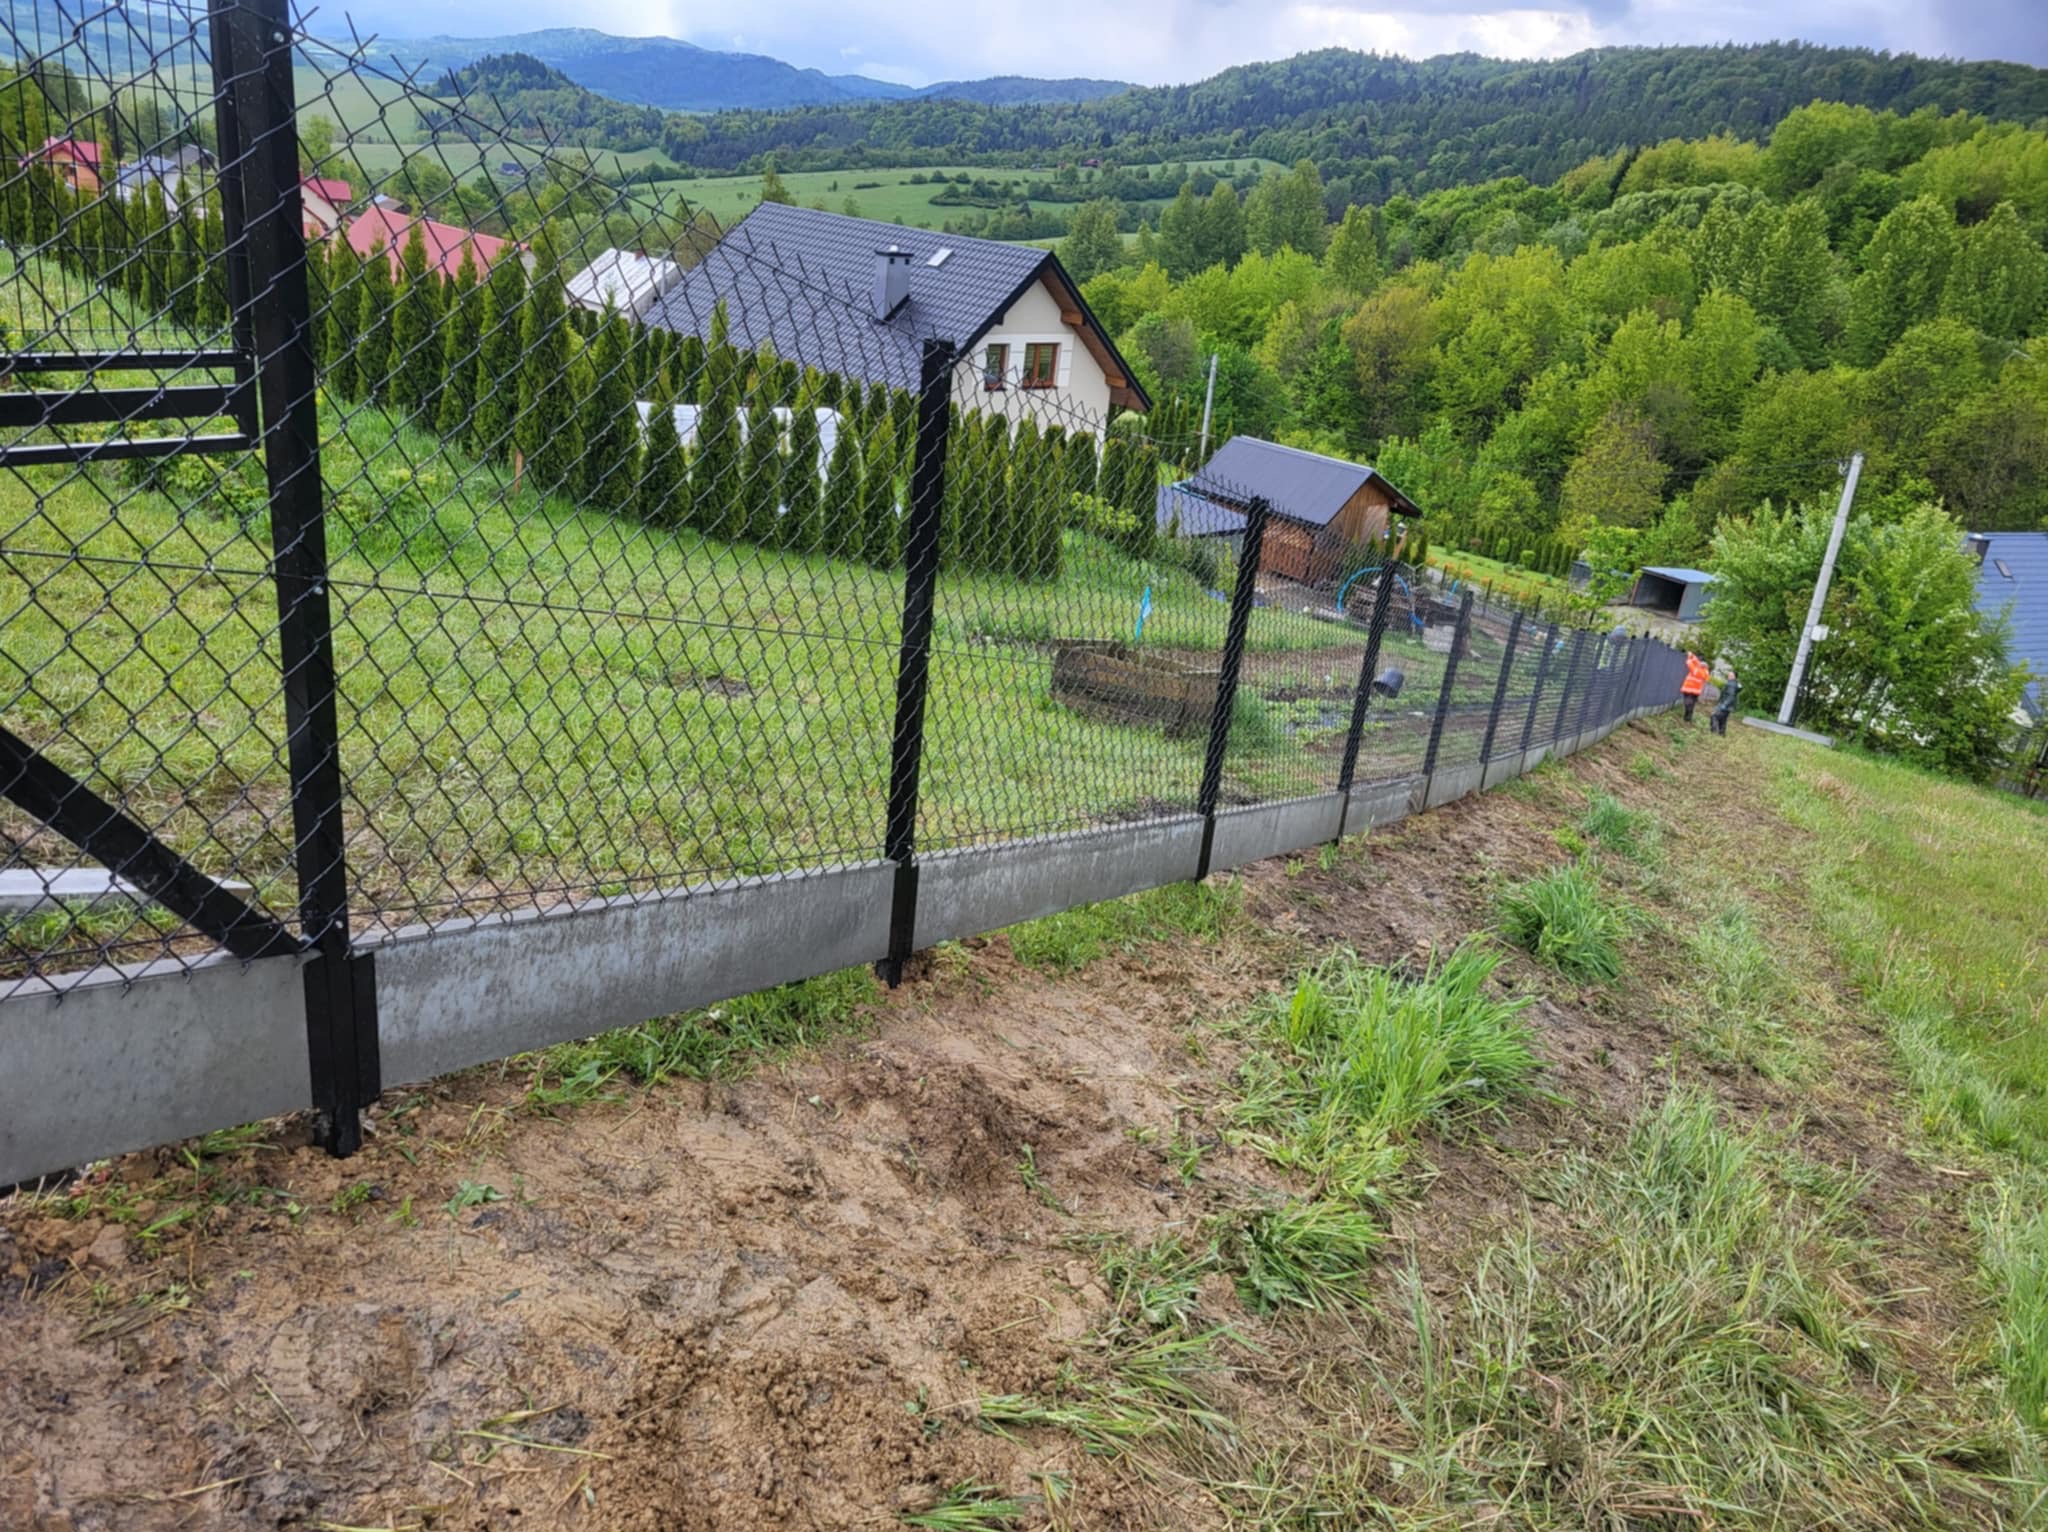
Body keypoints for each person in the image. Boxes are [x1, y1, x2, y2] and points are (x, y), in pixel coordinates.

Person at [1680, 651, 1709, 723]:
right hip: (1696, 691)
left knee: (1688, 704)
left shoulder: (1696, 670)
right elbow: (1697, 662)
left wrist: (1690, 656)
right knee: (1691, 705)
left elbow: (1688, 662)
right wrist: (1693, 656)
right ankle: (1688, 718)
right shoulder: (1705, 671)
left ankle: (1687, 718)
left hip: (1688, 689)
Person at [1711, 669, 1741, 735]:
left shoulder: (1731, 684)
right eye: (1729, 675)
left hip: (1725, 705)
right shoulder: (1735, 683)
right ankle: (1722, 733)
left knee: (1715, 716)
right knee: (1723, 719)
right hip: (1729, 706)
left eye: (1731, 675)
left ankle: (1715, 732)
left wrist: (1724, 705)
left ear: (1735, 677)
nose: (1729, 676)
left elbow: (1731, 696)